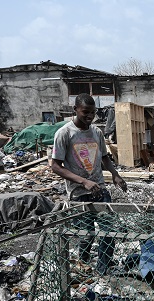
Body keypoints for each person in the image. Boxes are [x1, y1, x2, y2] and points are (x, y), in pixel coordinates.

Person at [51, 93, 127, 275]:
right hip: (79, 193)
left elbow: (104, 157)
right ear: (75, 110)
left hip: (100, 189)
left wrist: (115, 175)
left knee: (109, 231)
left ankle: (103, 270)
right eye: (86, 112)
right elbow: (55, 166)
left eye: (93, 113)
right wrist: (83, 181)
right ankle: (84, 265)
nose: (90, 116)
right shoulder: (65, 133)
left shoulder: (97, 132)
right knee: (86, 234)